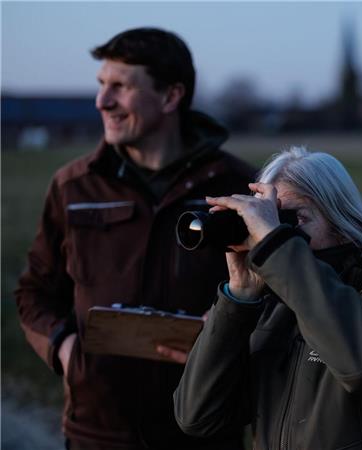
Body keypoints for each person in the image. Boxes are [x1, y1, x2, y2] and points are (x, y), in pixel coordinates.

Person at [14, 27, 254, 449]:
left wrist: (224, 339)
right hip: (97, 434)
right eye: (102, 85)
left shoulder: (241, 188)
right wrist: (65, 351)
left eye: (120, 87)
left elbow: (278, 304)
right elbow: (33, 292)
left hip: (204, 433)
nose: (101, 101)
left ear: (170, 97)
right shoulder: (73, 186)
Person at [174, 147, 362, 450]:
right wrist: (239, 298)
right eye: (268, 220)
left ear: (341, 224)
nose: (272, 235)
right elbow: (197, 416)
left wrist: (278, 249)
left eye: (292, 218)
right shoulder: (273, 310)